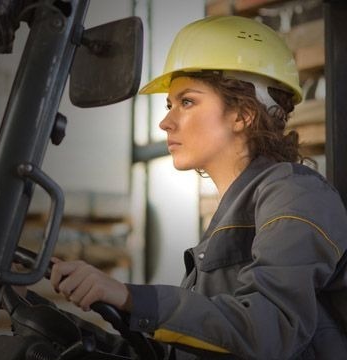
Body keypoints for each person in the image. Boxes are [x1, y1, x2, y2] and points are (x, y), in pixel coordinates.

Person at [50, 15, 347, 359]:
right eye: (169, 105)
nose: (166, 121)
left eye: (187, 101)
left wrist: (131, 296)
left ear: (243, 114)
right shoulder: (230, 218)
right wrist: (78, 334)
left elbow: (267, 332)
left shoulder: (296, 195)